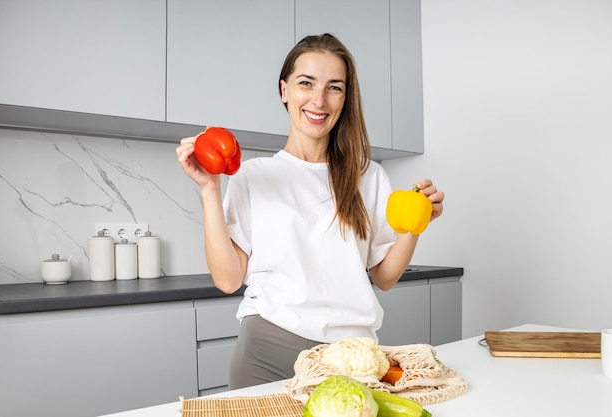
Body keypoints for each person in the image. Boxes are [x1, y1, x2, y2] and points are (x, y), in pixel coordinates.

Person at [176, 33, 444, 389]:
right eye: (306, 83)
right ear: (284, 89)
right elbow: (228, 279)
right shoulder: (253, 176)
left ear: (346, 98)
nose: (319, 99)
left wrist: (415, 224)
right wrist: (210, 190)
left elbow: (384, 276)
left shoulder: (369, 176)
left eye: (335, 88)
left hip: (350, 357)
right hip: (266, 351)